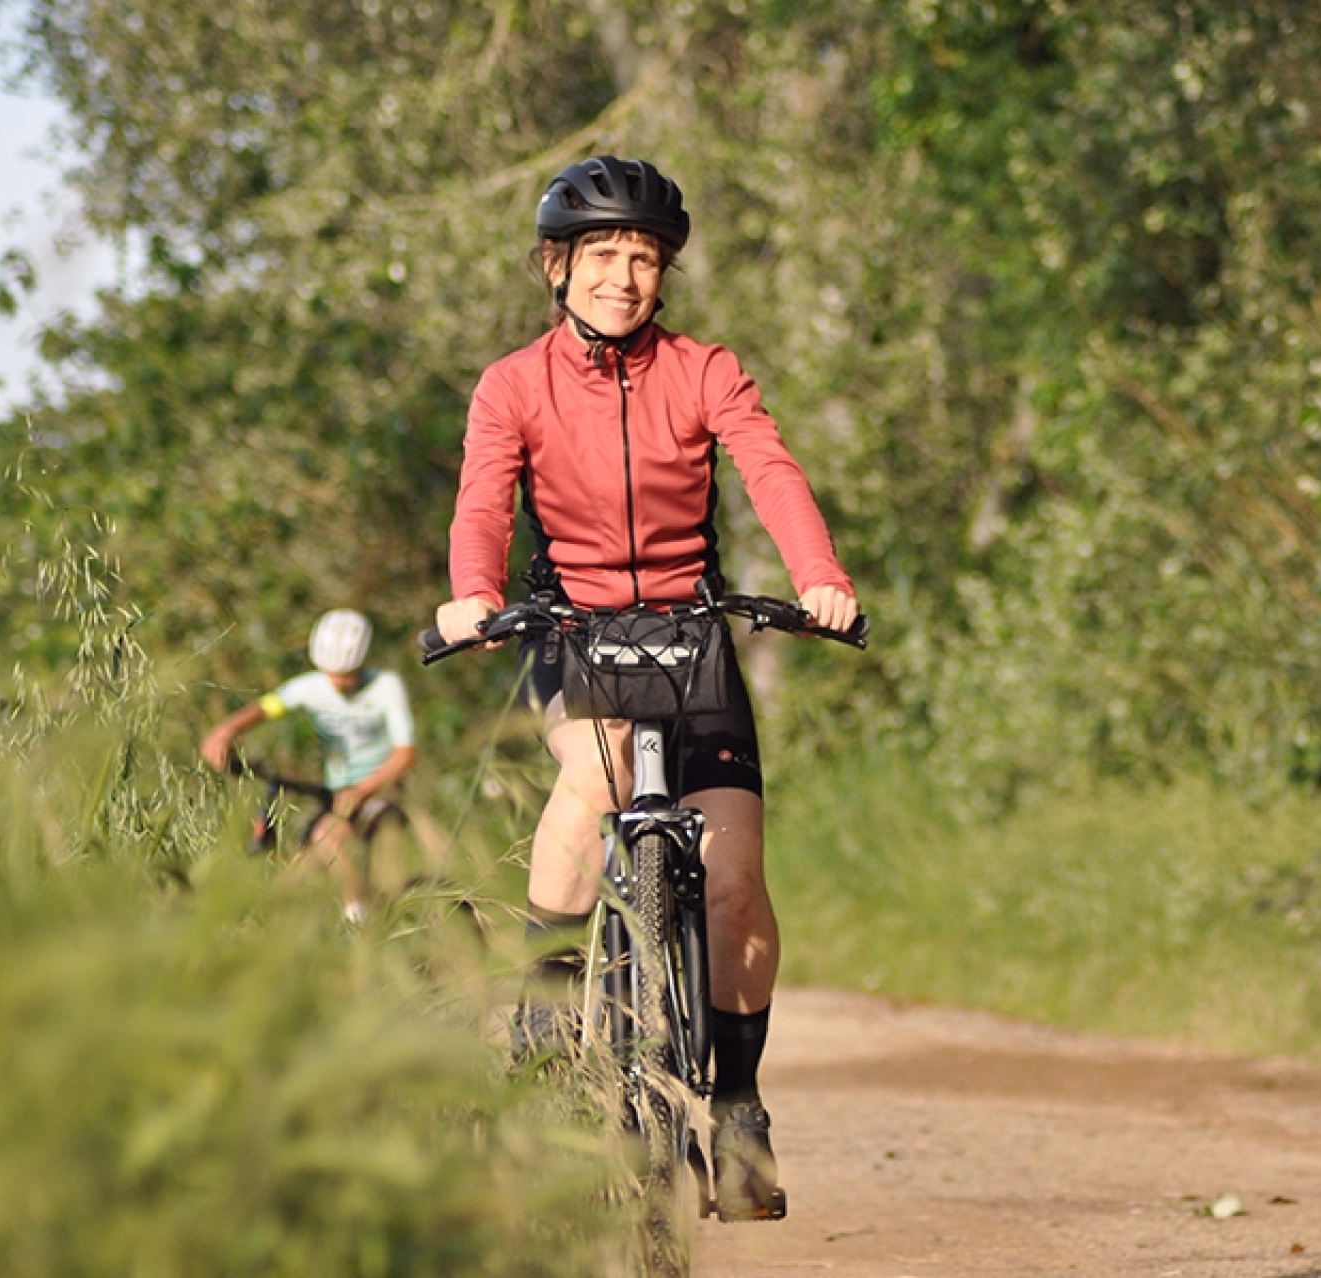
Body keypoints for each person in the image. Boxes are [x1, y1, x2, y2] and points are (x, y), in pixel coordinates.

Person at [432, 155, 858, 1218]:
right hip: (568, 629)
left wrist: (819, 577)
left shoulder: (706, 369)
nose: (624, 276)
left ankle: (742, 1109)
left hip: (693, 631)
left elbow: (769, 468)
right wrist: (471, 595)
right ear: (557, 267)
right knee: (599, 766)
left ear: (663, 274)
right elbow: (485, 501)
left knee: (736, 873)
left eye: (643, 258)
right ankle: (541, 1004)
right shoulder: (513, 385)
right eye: (603, 256)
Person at [201, 609, 419, 923]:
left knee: (326, 837)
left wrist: (363, 789)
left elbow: (405, 754)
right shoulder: (310, 688)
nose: (340, 682)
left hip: (383, 788)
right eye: (332, 673)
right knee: (294, 876)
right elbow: (267, 707)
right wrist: (224, 733)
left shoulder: (386, 687)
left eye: (349, 673)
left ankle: (358, 922)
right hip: (336, 792)